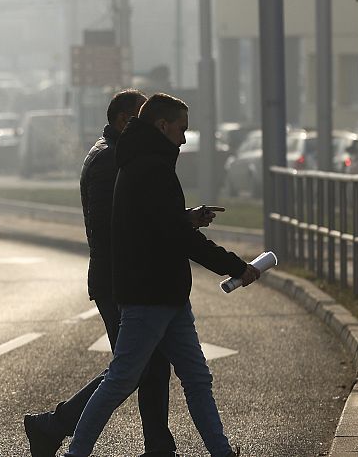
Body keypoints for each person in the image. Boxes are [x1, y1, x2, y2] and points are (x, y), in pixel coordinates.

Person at [62, 93, 259, 457]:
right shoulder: (150, 167)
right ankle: (76, 452)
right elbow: (178, 237)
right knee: (121, 380)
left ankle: (222, 452)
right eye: (181, 130)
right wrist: (236, 267)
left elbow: (158, 224)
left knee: (197, 378)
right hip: (149, 295)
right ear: (162, 125)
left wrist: (184, 220)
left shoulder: (142, 161)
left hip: (166, 294)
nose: (184, 139)